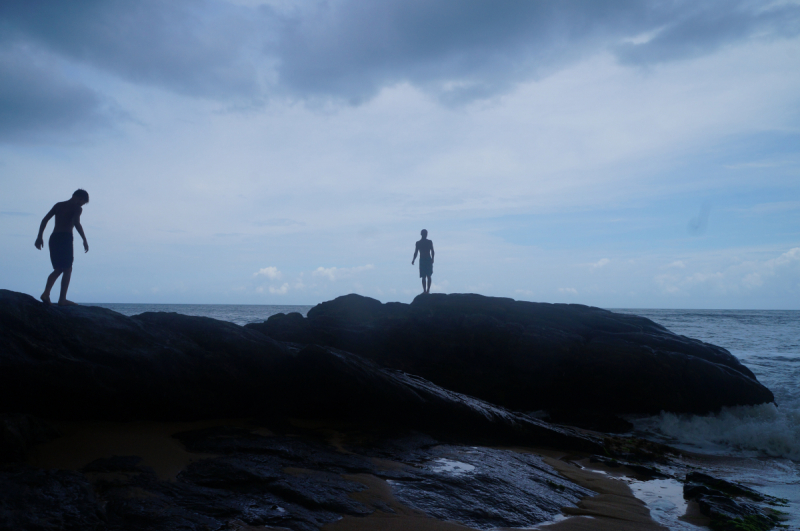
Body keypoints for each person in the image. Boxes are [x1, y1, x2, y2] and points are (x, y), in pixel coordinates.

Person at [35, 189, 90, 306]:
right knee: (68, 269)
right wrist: (84, 239)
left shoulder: (59, 205)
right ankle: (62, 299)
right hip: (65, 237)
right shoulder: (77, 208)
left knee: (59, 269)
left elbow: (45, 220)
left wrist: (39, 237)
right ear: (80, 198)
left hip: (54, 238)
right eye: (83, 202)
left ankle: (46, 293)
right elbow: (76, 222)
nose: (82, 205)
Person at [412, 229, 434, 294]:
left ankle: (428, 290)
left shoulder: (429, 242)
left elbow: (432, 250)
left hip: (428, 259)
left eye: (426, 234)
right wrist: (413, 260)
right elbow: (416, 252)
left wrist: (432, 258)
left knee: (428, 275)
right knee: (423, 276)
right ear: (421, 234)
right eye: (424, 234)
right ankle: (425, 290)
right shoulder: (418, 243)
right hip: (422, 259)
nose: (425, 235)